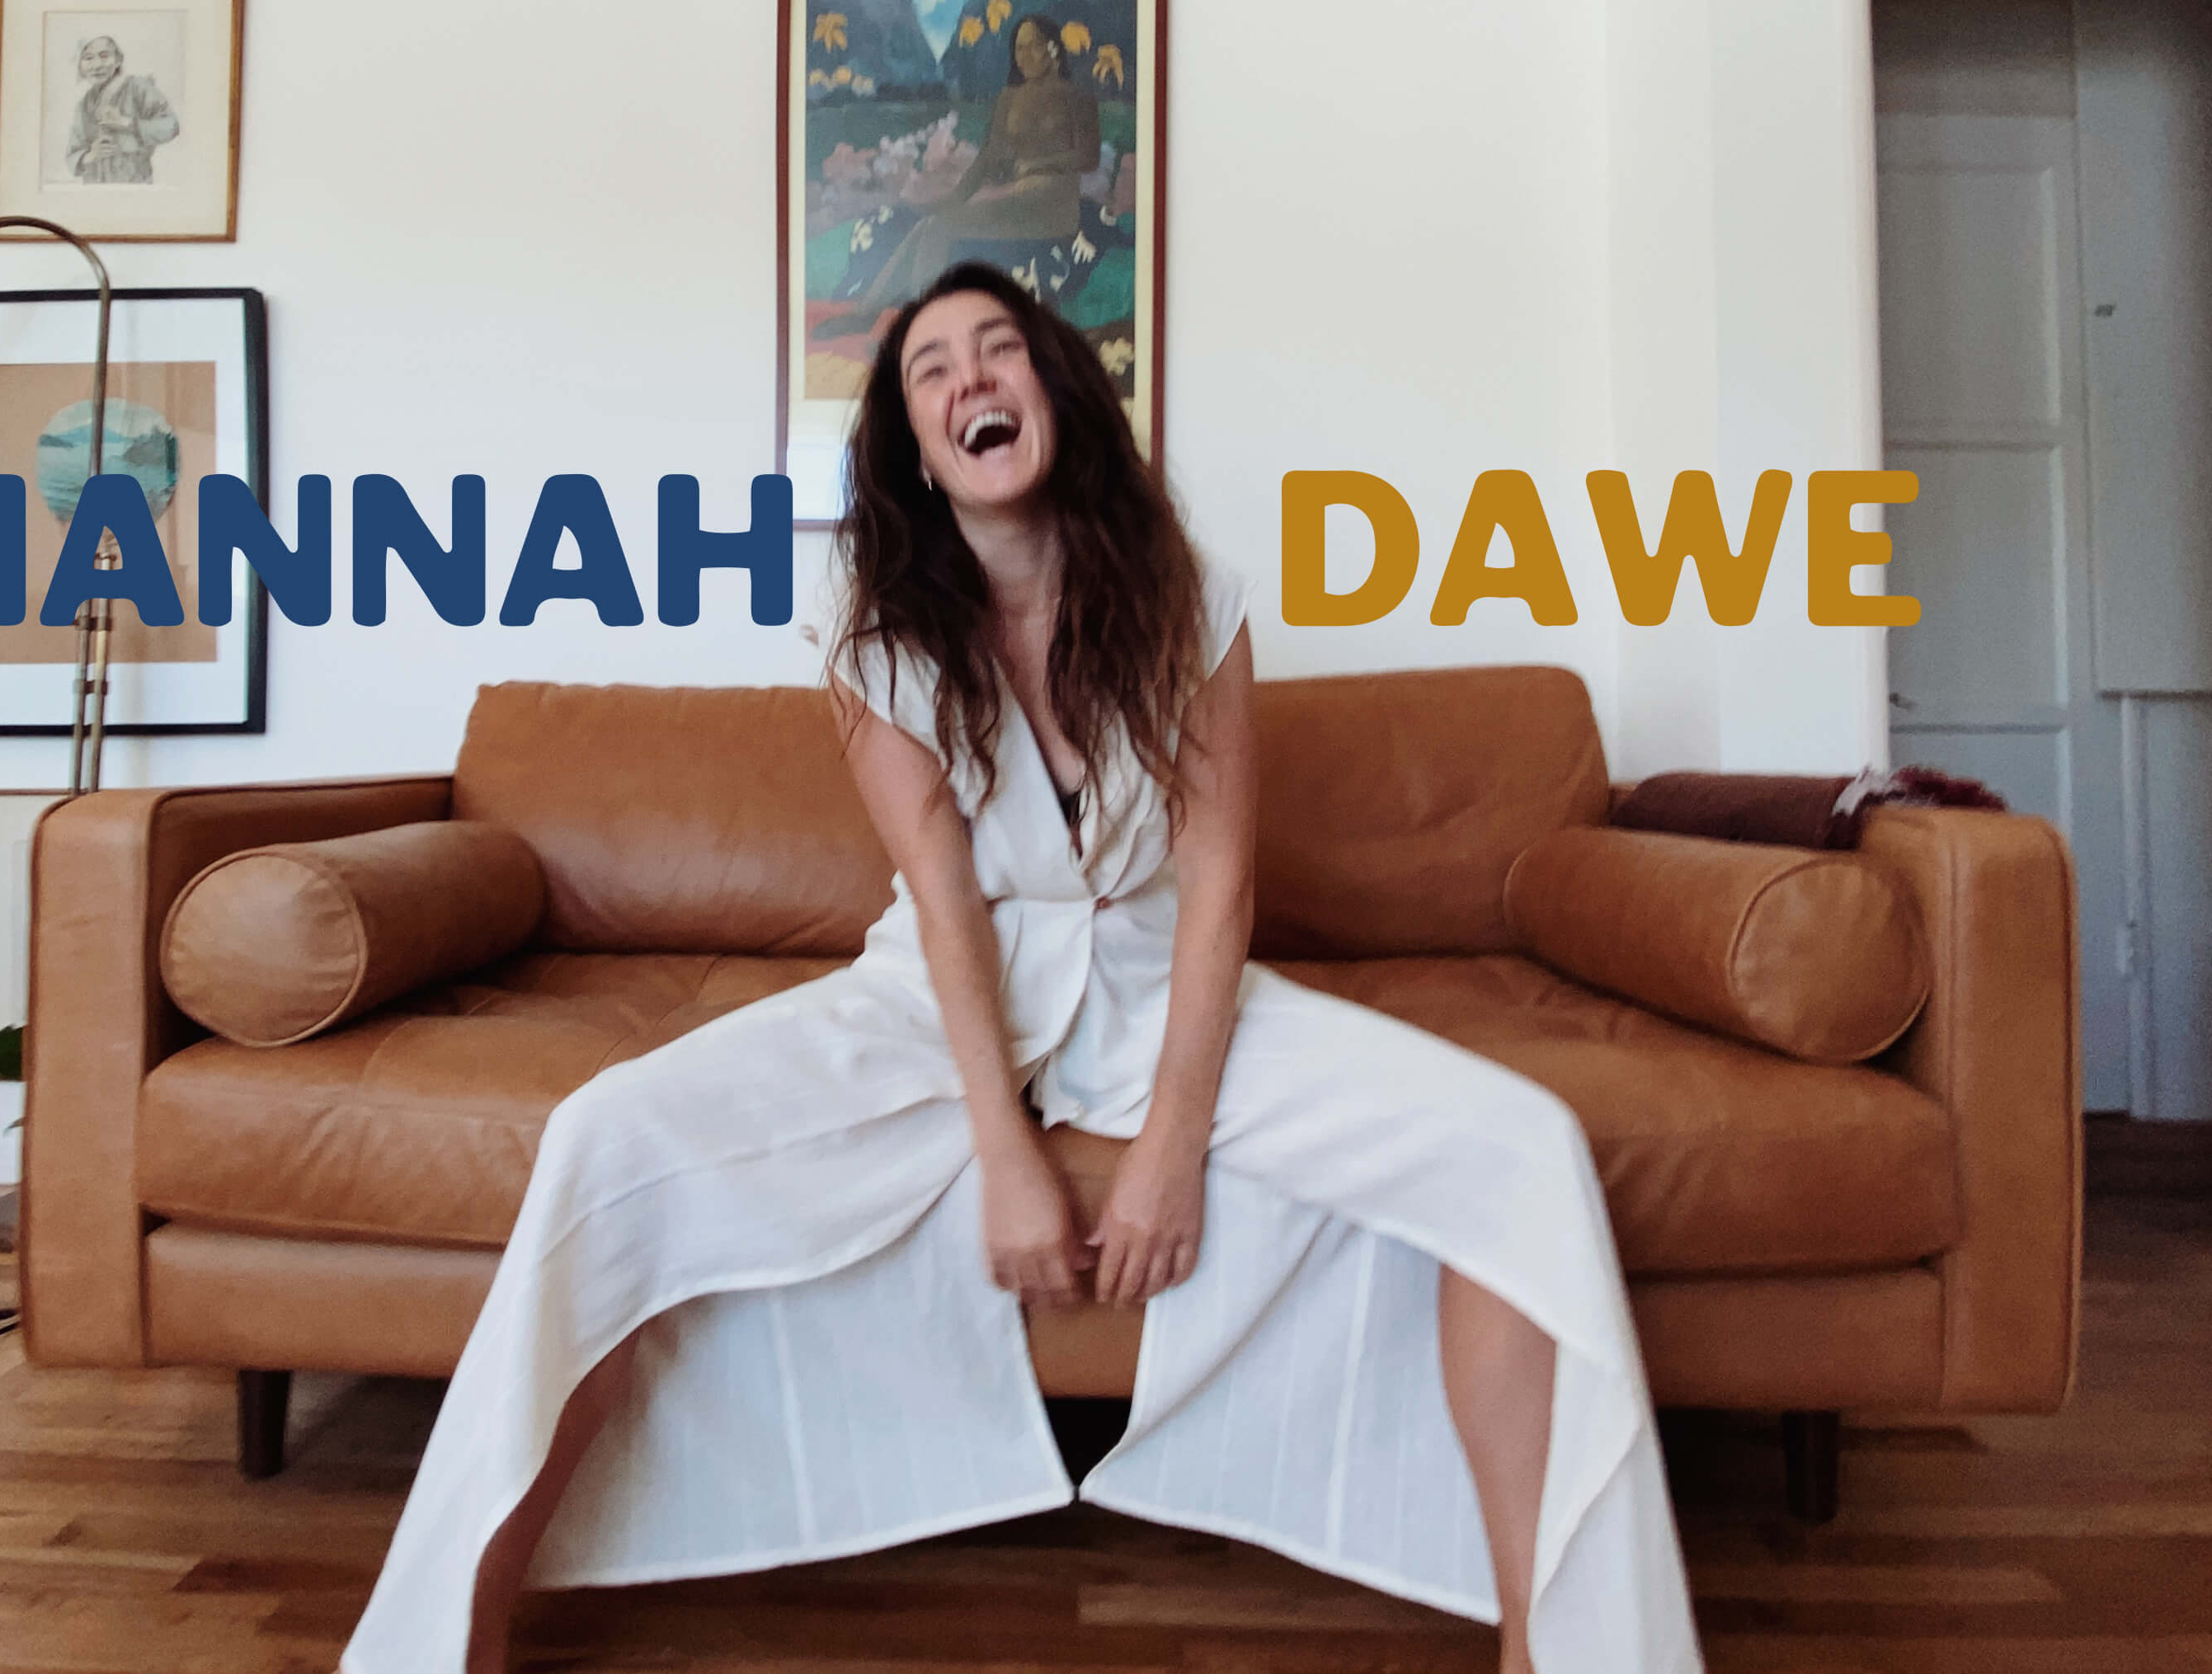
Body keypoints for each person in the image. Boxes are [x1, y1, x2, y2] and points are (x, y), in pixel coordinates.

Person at [339, 261, 1703, 1674]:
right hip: (934, 995)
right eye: (931, 368)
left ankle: (1553, 1646)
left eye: (999, 349)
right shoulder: (868, 628)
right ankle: (450, 1638)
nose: (970, 379)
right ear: (919, 452)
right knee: (600, 1139)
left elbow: (1220, 884)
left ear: (1053, 391)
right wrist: (1003, 1149)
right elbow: (940, 896)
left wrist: (1169, 1141)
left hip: (1162, 983)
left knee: (1525, 1150)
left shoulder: (1190, 597)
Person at [816, 16, 1100, 338]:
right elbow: (989, 158)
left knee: (939, 227)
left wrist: (1039, 165)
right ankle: (867, 313)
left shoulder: (1077, 98)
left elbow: (1089, 158)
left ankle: (921, 324)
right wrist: (954, 199)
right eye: (1018, 48)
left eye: (1033, 46)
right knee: (929, 224)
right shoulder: (1010, 99)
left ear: (1054, 48)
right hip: (1019, 195)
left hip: (1053, 204)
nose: (1024, 56)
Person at [64, 35, 179, 185]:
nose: (97, 65)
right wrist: (90, 155)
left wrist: (128, 123)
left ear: (118, 60)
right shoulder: (84, 104)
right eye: (88, 58)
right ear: (80, 65)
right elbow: (73, 154)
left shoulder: (138, 87)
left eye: (104, 56)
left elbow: (171, 126)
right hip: (94, 185)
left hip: (135, 182)